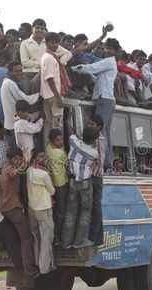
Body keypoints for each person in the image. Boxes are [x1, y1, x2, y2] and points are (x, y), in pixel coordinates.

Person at [70, 38, 121, 170]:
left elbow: (90, 68)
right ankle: (107, 162)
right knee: (105, 131)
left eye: (110, 49)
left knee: (99, 130)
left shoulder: (108, 62)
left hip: (104, 98)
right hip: (106, 98)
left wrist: (73, 68)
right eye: (106, 48)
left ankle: (104, 161)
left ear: (115, 51)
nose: (106, 50)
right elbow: (96, 77)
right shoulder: (108, 63)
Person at [0, 147, 39, 278]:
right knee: (26, 238)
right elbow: (16, 173)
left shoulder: (5, 167)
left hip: (5, 209)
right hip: (13, 209)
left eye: (19, 158)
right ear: (10, 160)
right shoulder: (10, 170)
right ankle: (30, 269)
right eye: (15, 159)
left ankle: (21, 266)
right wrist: (27, 162)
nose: (18, 161)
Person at [61, 127, 99, 249]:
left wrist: (72, 130)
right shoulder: (94, 153)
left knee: (70, 212)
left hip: (72, 182)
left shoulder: (73, 142)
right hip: (85, 184)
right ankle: (78, 242)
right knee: (85, 212)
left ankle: (65, 242)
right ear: (94, 140)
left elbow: (71, 132)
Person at [19, 18, 72, 94]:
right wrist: (44, 63)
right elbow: (25, 63)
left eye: (42, 28)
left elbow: (68, 54)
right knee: (27, 92)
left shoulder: (48, 43)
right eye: (37, 28)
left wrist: (58, 63)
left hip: (45, 72)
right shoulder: (25, 43)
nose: (39, 30)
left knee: (36, 87)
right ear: (32, 29)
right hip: (28, 73)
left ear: (44, 30)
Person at [27, 148, 56, 274]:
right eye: (40, 155)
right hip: (44, 209)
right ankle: (44, 268)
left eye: (44, 155)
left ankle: (37, 262)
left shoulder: (29, 170)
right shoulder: (44, 174)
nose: (43, 157)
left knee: (36, 237)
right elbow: (52, 191)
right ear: (34, 158)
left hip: (32, 208)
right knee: (46, 239)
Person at [40, 32, 71, 146]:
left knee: (49, 124)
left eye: (56, 42)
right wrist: (58, 97)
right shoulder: (49, 58)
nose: (54, 45)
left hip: (49, 95)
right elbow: (49, 78)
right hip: (53, 95)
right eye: (52, 42)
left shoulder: (51, 56)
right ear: (47, 43)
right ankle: (57, 150)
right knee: (57, 125)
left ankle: (49, 149)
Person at [0, 60, 40, 141]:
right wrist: (39, 95)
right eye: (16, 71)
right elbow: (24, 100)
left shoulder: (9, 82)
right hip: (14, 123)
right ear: (10, 72)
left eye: (21, 70)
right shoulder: (10, 83)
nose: (19, 73)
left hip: (13, 122)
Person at [45, 128, 68, 245]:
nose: (61, 142)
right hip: (61, 184)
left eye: (61, 139)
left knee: (55, 211)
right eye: (58, 140)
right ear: (52, 141)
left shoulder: (48, 148)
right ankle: (59, 236)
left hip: (53, 183)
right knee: (61, 211)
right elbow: (68, 163)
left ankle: (55, 236)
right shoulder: (60, 153)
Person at [87, 115, 106, 246]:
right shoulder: (98, 137)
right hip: (95, 176)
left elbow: (96, 159)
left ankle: (95, 237)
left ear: (99, 127)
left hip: (95, 176)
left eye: (92, 124)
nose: (89, 126)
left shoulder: (98, 139)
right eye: (88, 123)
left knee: (95, 207)